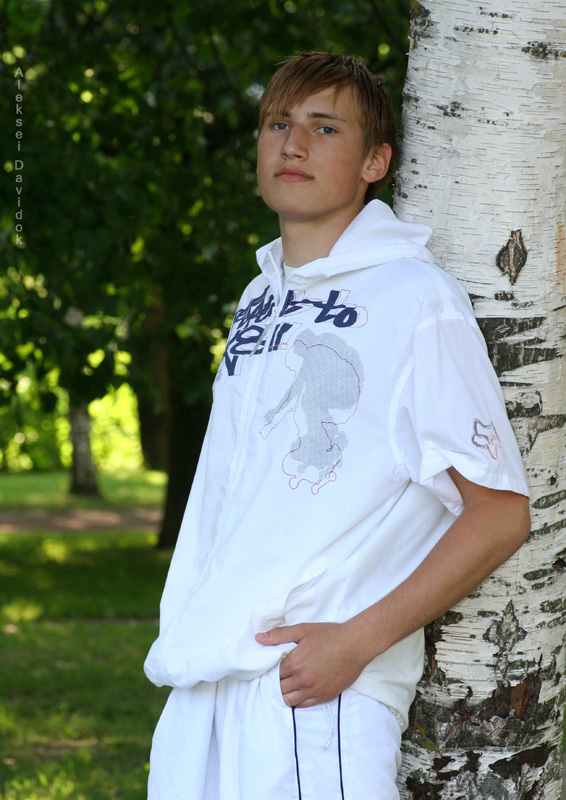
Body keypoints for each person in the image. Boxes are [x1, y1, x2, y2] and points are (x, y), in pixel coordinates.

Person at [144, 52, 530, 800]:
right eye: (278, 123)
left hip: (309, 695)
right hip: (202, 679)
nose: (293, 144)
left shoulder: (414, 298)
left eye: (325, 128)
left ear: (374, 162)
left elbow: (500, 513)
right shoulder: (259, 296)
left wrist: (357, 642)